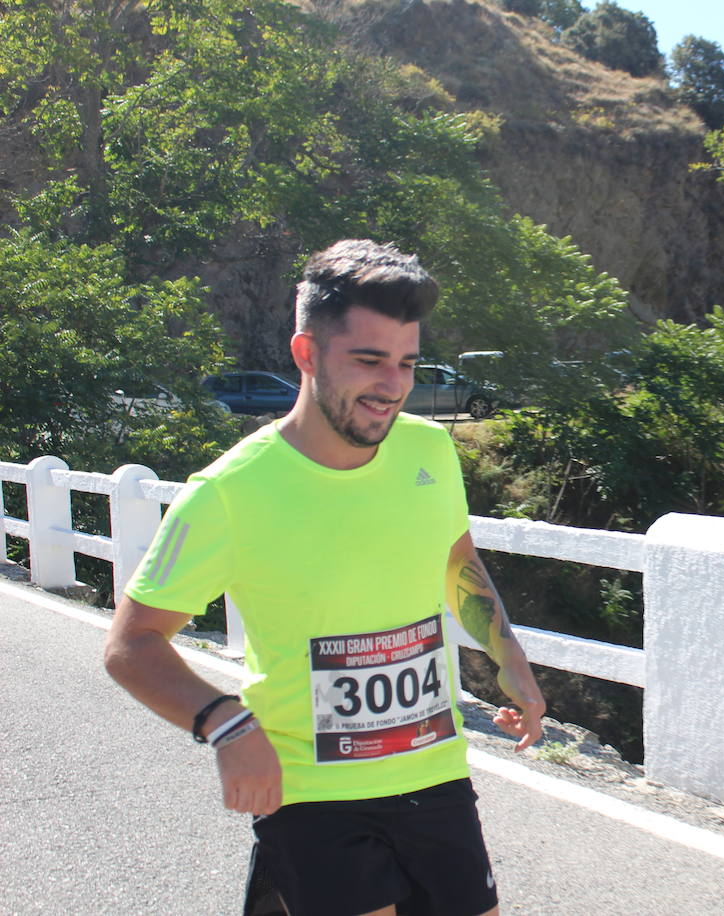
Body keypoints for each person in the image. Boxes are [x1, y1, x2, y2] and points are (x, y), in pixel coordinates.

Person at [104, 239, 546, 916]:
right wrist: (226, 724)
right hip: (311, 790)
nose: (393, 385)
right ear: (306, 354)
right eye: (368, 361)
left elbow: (456, 556)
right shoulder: (228, 493)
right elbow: (131, 646)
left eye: (405, 363)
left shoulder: (429, 450)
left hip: (435, 770)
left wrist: (507, 654)